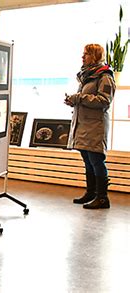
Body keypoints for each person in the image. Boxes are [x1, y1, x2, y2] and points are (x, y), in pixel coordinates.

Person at [64, 44, 116, 209]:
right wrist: (73, 101)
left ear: (94, 56)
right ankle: (91, 193)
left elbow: (104, 100)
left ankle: (102, 198)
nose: (82, 57)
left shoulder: (105, 76)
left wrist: (79, 98)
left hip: (95, 126)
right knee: (88, 160)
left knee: (96, 161)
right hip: (84, 125)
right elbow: (86, 99)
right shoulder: (88, 75)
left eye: (86, 54)